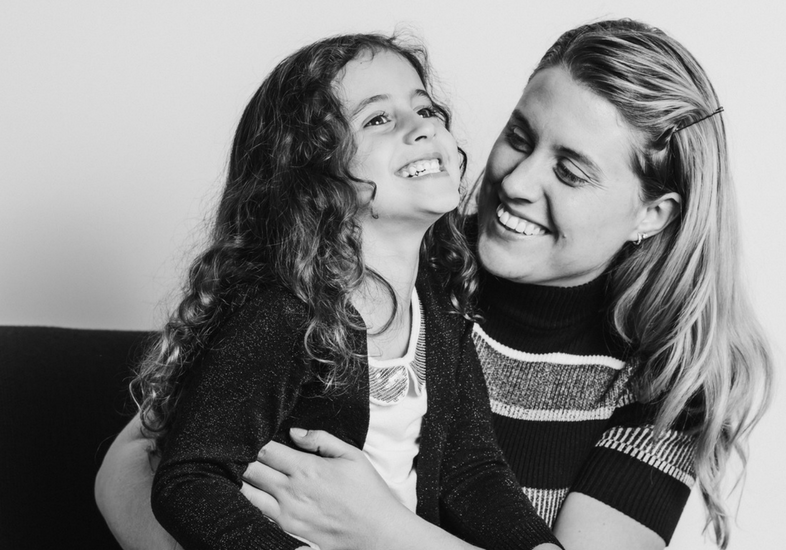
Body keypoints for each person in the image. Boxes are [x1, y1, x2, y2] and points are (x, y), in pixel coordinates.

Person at [96, 19, 773, 550]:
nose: (516, 180)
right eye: (519, 135)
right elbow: (143, 464)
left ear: (652, 215)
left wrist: (384, 534)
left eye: (570, 171)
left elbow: (473, 475)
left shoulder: (666, 387)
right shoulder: (377, 285)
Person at [122, 32, 561, 550]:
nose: (422, 128)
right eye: (379, 119)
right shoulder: (285, 314)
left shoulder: (439, 310)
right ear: (312, 177)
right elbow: (189, 479)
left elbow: (474, 472)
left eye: (426, 109)